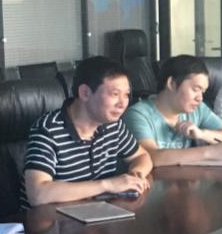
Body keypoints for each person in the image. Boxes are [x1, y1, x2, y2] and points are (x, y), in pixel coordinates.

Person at [22, 56, 153, 208]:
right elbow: (38, 194)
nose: (123, 103)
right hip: (50, 219)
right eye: (115, 94)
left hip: (96, 213)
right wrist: (108, 185)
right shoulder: (48, 130)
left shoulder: (112, 125)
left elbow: (142, 156)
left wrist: (135, 175)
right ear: (85, 93)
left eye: (126, 94)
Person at [123, 55, 222, 166]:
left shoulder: (198, 109)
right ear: (172, 83)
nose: (200, 98)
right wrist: (209, 152)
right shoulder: (138, 114)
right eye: (196, 89)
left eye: (203, 92)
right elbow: (150, 157)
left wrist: (202, 134)